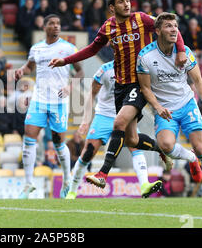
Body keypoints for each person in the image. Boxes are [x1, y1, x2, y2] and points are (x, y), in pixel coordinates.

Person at [49, 0, 186, 188]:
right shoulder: (108, 27)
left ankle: (103, 174)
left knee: (119, 122)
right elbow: (91, 49)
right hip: (120, 87)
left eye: (128, 1)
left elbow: (170, 26)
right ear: (112, 8)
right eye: (121, 2)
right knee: (131, 139)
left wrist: (181, 50)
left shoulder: (142, 19)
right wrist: (66, 61)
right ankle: (161, 150)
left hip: (140, 83)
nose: (127, 4)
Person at [136, 12, 202, 201]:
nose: (174, 29)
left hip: (187, 104)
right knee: (166, 146)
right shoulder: (145, 56)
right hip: (165, 109)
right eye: (168, 26)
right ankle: (191, 159)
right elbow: (145, 88)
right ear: (158, 30)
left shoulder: (185, 52)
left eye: (175, 26)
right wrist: (157, 107)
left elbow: (198, 81)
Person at [66, 61, 165, 199]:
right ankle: (72, 191)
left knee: (135, 146)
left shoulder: (135, 69)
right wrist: (86, 120)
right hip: (104, 116)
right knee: (87, 153)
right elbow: (91, 94)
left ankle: (144, 185)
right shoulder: (105, 69)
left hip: (125, 114)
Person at [15, 14, 84, 199]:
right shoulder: (36, 48)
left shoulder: (68, 48)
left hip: (59, 102)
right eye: (52, 24)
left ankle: (67, 179)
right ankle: (28, 184)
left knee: (58, 142)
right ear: (44, 27)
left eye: (58, 24)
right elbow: (30, 67)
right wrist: (22, 70)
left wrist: (70, 87)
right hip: (39, 100)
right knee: (29, 137)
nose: (56, 26)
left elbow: (80, 71)